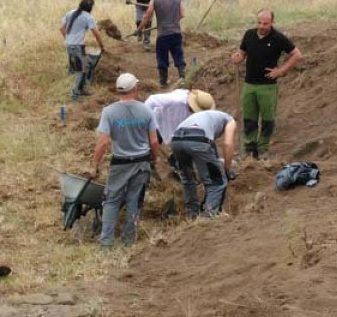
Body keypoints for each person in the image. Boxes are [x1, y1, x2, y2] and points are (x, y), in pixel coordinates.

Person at [92, 73, 160, 248]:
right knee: (134, 200)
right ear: (135, 89)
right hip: (142, 161)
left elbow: (103, 142)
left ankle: (106, 243)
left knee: (111, 201)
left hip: (120, 162)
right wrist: (154, 159)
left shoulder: (109, 112)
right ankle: (128, 241)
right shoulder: (146, 110)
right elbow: (154, 141)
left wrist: (94, 164)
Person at [230, 9, 303, 159]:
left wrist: (281, 71)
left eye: (265, 23)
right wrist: (237, 58)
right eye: (259, 22)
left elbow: (297, 55)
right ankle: (249, 148)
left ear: (272, 23)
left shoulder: (278, 38)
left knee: (267, 119)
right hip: (249, 84)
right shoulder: (249, 34)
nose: (261, 26)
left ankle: (263, 149)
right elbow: (242, 53)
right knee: (249, 118)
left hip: (268, 86)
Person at [170, 109, 237, 218]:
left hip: (176, 140)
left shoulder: (201, 117)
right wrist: (227, 169)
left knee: (188, 178)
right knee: (217, 182)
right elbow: (228, 144)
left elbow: (211, 150)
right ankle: (207, 218)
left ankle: (191, 214)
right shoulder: (229, 120)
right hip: (198, 140)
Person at [137, 0, 187, 88]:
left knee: (162, 58)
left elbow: (146, 18)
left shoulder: (154, 1)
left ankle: (163, 82)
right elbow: (182, 14)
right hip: (176, 33)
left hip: (163, 35)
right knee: (178, 55)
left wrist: (139, 29)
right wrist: (172, 21)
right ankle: (183, 79)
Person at [59, 0, 105, 101]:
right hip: (77, 46)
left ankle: (83, 89)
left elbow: (62, 29)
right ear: (91, 7)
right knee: (80, 70)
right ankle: (74, 94)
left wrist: (69, 39)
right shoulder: (88, 17)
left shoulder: (70, 13)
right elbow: (96, 34)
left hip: (71, 45)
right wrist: (102, 47)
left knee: (86, 66)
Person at [144, 89, 215, 145]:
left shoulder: (197, 114)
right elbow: (151, 100)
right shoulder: (176, 100)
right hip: (158, 124)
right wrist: (148, 121)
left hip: (171, 130)